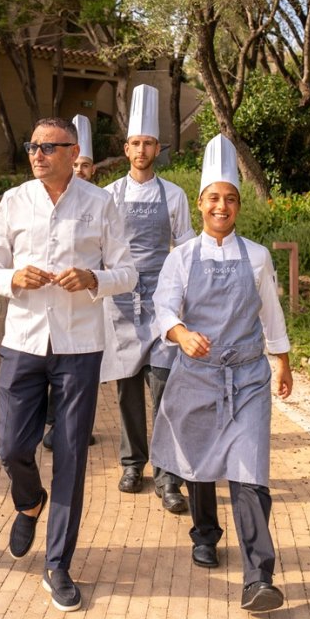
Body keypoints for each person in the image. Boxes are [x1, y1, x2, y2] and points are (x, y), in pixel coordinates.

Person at [0, 117, 137, 612]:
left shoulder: (100, 203)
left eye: (48, 147)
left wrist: (93, 279)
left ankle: (58, 564)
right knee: (10, 446)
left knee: (71, 455)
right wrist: (12, 279)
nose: (37, 154)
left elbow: (128, 272)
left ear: (73, 152)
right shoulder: (14, 201)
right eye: (32, 146)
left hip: (79, 347)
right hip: (23, 341)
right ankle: (29, 501)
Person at [151, 133, 293, 612]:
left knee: (250, 471)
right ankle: (205, 533)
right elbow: (163, 307)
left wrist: (282, 360)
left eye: (230, 198)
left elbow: (270, 312)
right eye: (214, 197)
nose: (221, 206)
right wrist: (180, 334)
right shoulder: (181, 257)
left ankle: (259, 577)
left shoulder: (257, 256)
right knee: (200, 460)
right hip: (197, 374)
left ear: (238, 206)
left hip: (248, 378)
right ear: (200, 203)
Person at [100, 84, 193, 515]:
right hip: (121, 302)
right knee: (126, 391)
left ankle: (169, 475)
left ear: (158, 148)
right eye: (135, 143)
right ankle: (133, 464)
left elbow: (187, 250)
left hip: (161, 304)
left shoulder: (173, 195)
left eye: (148, 143)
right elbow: (99, 249)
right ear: (126, 149)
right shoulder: (109, 196)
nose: (141, 150)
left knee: (164, 386)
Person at [43, 113, 98, 452]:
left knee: (84, 380)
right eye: (77, 166)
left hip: (90, 308)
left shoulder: (101, 202)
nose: (81, 170)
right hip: (44, 313)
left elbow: (117, 264)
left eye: (85, 165)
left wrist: (93, 279)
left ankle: (76, 426)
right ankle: (56, 424)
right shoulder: (28, 200)